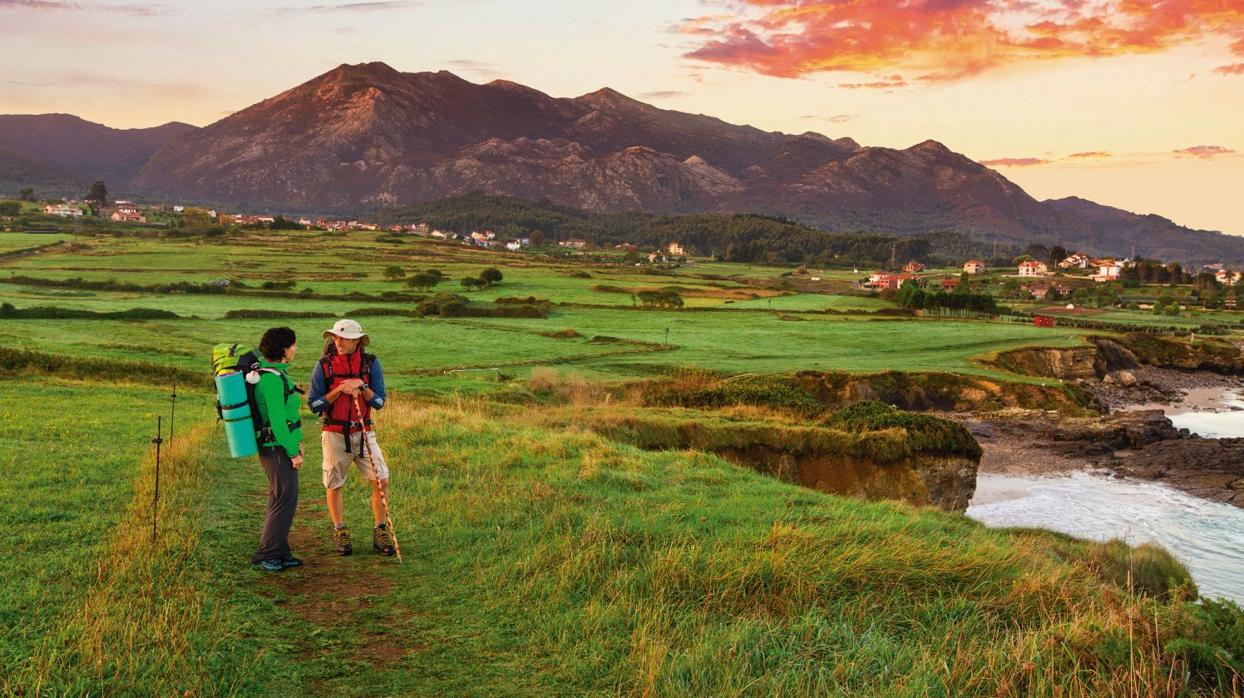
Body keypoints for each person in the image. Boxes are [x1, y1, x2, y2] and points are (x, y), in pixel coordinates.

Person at [306, 319, 394, 556]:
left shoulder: (371, 364)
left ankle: (380, 530)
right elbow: (314, 405)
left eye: (344, 338)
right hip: (334, 433)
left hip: (364, 432)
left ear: (357, 341)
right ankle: (340, 530)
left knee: (381, 480)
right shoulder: (324, 366)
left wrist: (361, 385)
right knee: (334, 484)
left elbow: (379, 402)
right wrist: (338, 390)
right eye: (336, 337)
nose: (338, 341)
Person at [250, 326, 304, 572]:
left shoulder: (272, 374)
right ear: (283, 349)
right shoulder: (271, 379)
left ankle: (280, 552)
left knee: (280, 498)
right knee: (284, 499)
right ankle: (267, 554)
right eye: (292, 345)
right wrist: (293, 452)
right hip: (277, 449)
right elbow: (278, 423)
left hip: (276, 447)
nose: (295, 349)